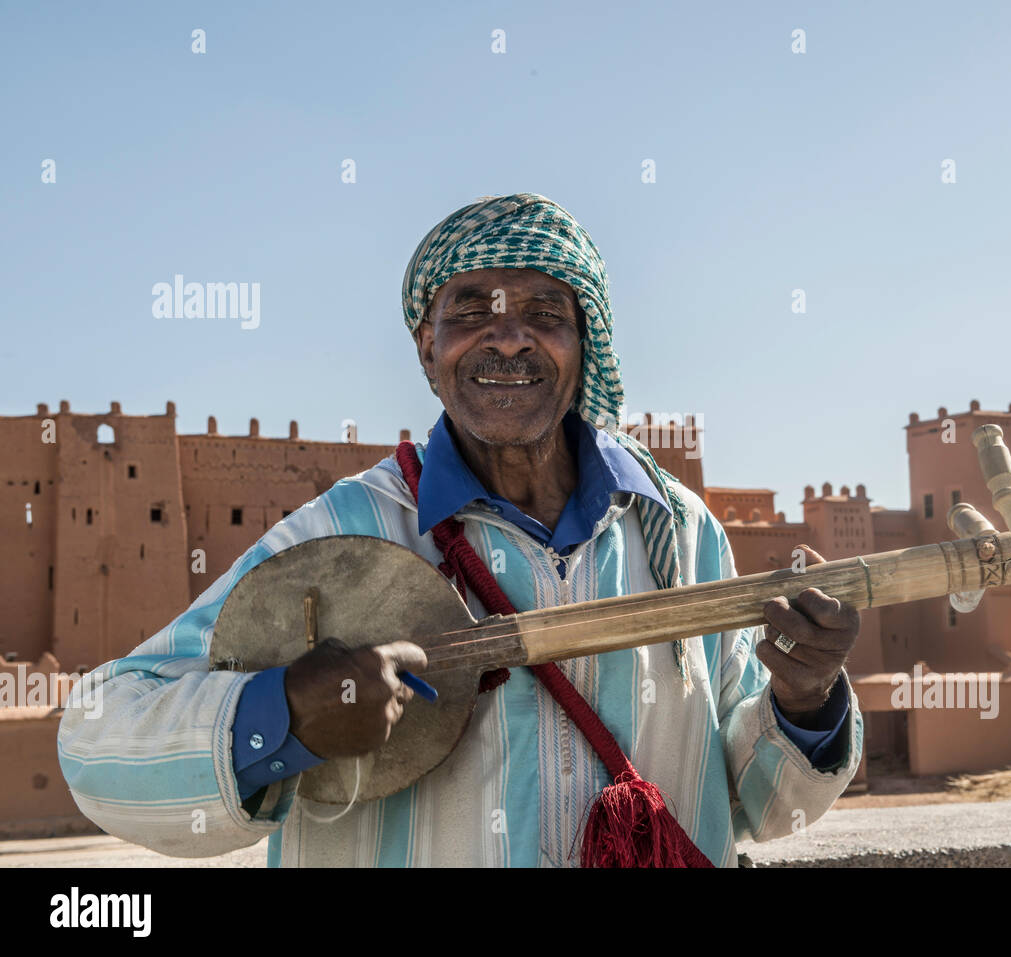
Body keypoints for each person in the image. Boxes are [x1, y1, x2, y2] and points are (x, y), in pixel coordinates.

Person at [58, 193, 863, 867]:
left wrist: (804, 700)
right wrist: (280, 716)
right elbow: (97, 739)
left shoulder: (678, 534)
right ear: (427, 345)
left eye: (545, 312)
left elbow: (758, 804)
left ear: (583, 345)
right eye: (471, 309)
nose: (508, 335)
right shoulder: (344, 531)